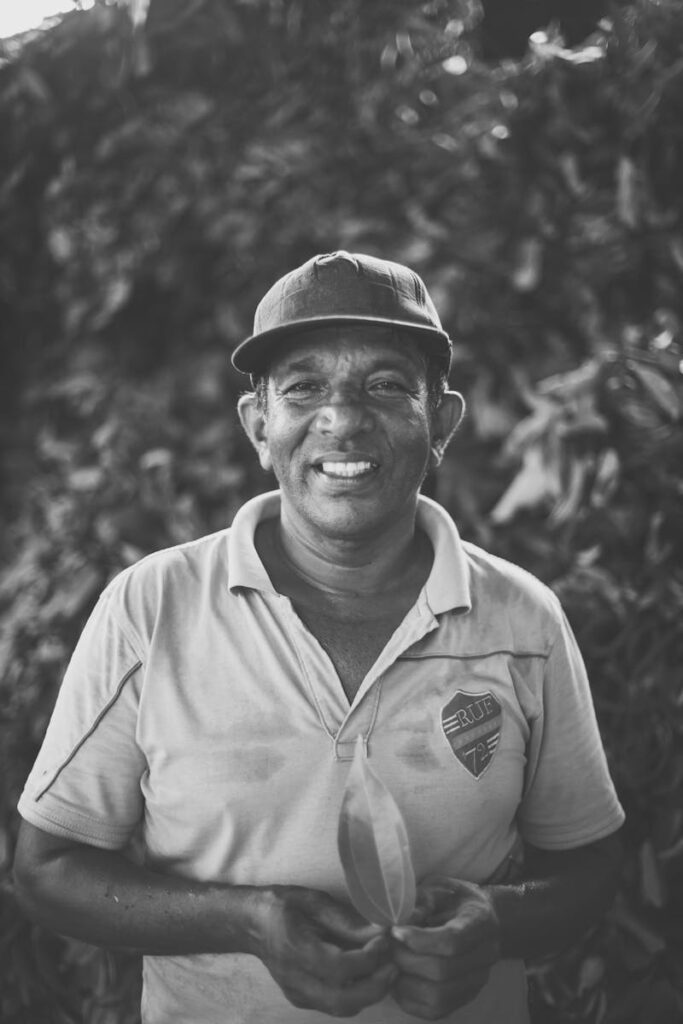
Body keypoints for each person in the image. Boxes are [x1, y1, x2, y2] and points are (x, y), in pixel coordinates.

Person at [14, 251, 625, 1023]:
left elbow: (589, 864)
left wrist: (497, 922)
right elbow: (48, 869)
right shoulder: (152, 606)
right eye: (303, 387)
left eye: (386, 384)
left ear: (440, 422)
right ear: (258, 425)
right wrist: (245, 920)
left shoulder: (521, 618)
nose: (342, 418)